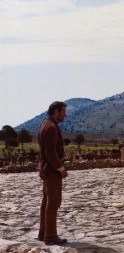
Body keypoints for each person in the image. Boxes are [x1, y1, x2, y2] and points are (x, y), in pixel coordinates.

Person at [38, 101, 69, 245]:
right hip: (52, 171)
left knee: (46, 201)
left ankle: (43, 233)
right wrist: (60, 168)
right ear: (56, 111)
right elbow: (50, 152)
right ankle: (50, 235)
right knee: (53, 202)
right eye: (63, 112)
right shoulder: (51, 127)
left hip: (45, 169)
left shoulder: (44, 124)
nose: (65, 115)